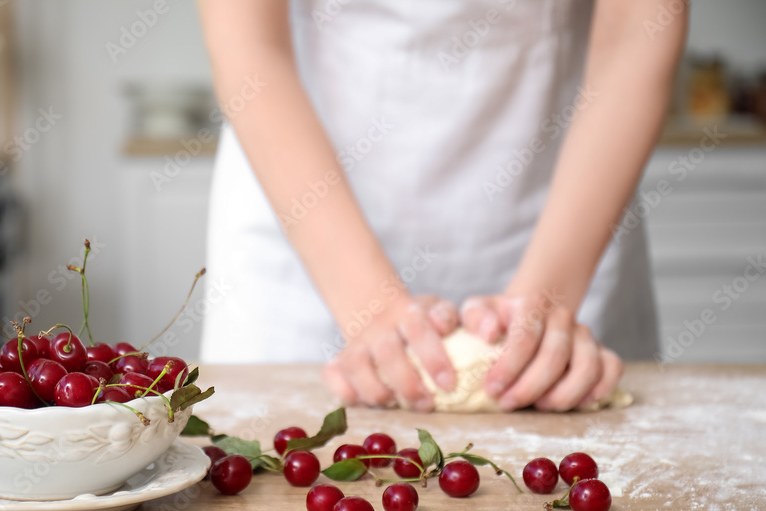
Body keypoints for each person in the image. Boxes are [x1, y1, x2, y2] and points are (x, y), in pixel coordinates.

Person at [196, 0, 686, 412]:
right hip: (305, 244)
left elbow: (638, 31)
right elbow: (249, 47)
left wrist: (548, 300)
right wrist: (370, 308)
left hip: (563, 224)